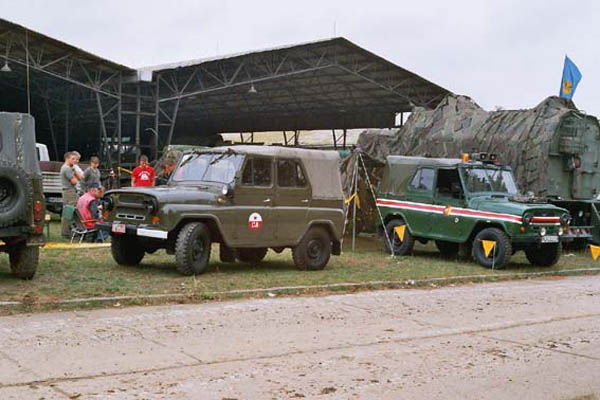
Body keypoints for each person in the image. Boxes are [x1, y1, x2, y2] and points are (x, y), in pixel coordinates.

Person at [60, 151, 80, 237]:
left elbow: (79, 177)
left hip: (69, 191)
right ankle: (66, 232)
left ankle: (68, 230)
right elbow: (75, 181)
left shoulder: (68, 168)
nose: (75, 161)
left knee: (69, 211)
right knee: (68, 211)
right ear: (67, 158)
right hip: (69, 191)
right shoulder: (67, 168)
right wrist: (74, 172)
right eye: (73, 159)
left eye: (76, 159)